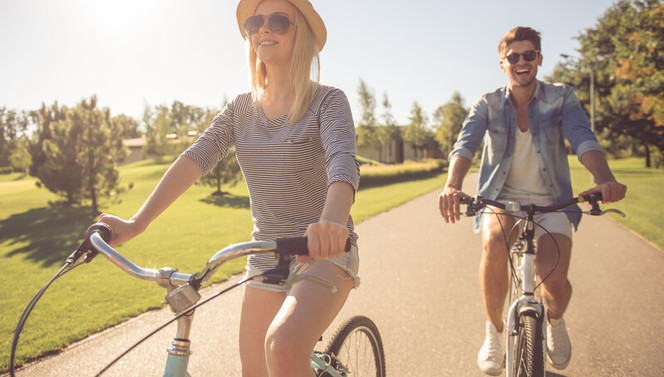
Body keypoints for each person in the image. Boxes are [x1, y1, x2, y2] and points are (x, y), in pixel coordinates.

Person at [99, 1, 360, 376]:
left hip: (325, 250)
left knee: (283, 347)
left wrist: (331, 222)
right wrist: (137, 223)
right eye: (255, 22)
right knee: (254, 371)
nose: (262, 29)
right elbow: (195, 158)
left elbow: (343, 162)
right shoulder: (240, 109)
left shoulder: (328, 101)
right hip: (265, 256)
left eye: (278, 21)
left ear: (300, 31)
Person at [437, 26, 626, 376]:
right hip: (501, 198)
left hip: (552, 199)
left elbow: (582, 137)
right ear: (502, 62)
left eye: (529, 55)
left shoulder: (561, 97)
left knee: (553, 280)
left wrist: (603, 179)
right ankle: (494, 332)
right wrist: (452, 185)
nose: (521, 62)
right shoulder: (488, 104)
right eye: (514, 56)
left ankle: (554, 320)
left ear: (539, 59)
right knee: (494, 242)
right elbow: (464, 146)